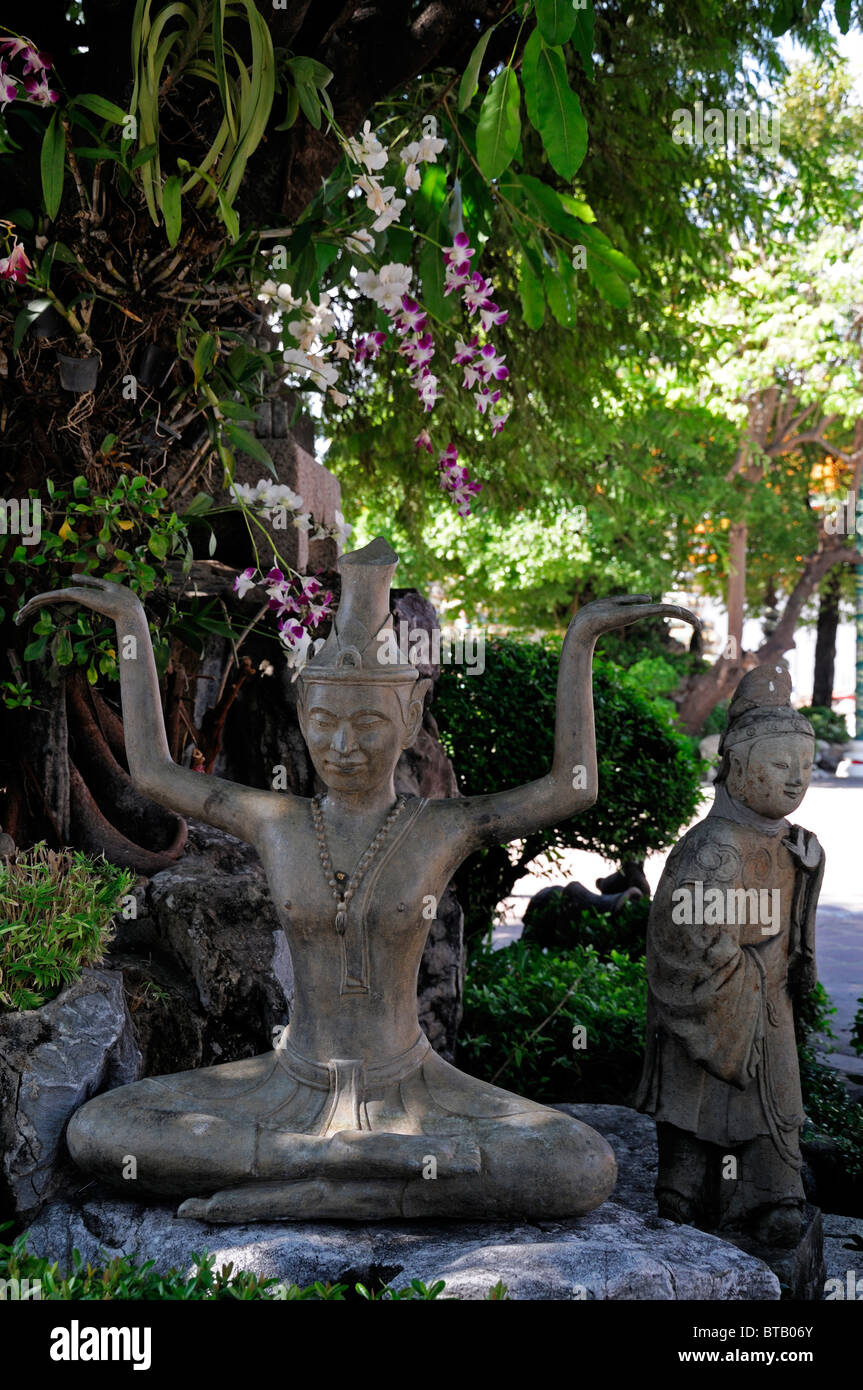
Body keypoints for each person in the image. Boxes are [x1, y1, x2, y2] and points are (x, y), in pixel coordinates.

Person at [19, 538, 697, 1222]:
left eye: (368, 724)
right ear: (302, 718)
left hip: (415, 1089)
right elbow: (156, 774)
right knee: (100, 1132)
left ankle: (306, 1183)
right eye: (324, 724)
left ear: (408, 721)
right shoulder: (276, 819)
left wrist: (579, 642)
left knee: (581, 1166)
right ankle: (348, 1171)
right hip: (285, 1087)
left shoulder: (442, 826)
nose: (344, 748)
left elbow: (570, 788)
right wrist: (131, 625)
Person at [635, 664, 823, 1246]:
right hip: (724, 1000)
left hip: (768, 1007)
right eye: (779, 766)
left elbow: (792, 932)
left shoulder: (792, 844)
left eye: (806, 768)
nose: (796, 781)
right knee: (698, 1102)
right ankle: (684, 1186)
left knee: (772, 1108)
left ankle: (770, 1195)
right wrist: (743, 971)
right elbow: (685, 940)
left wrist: (810, 873)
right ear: (737, 768)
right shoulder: (712, 848)